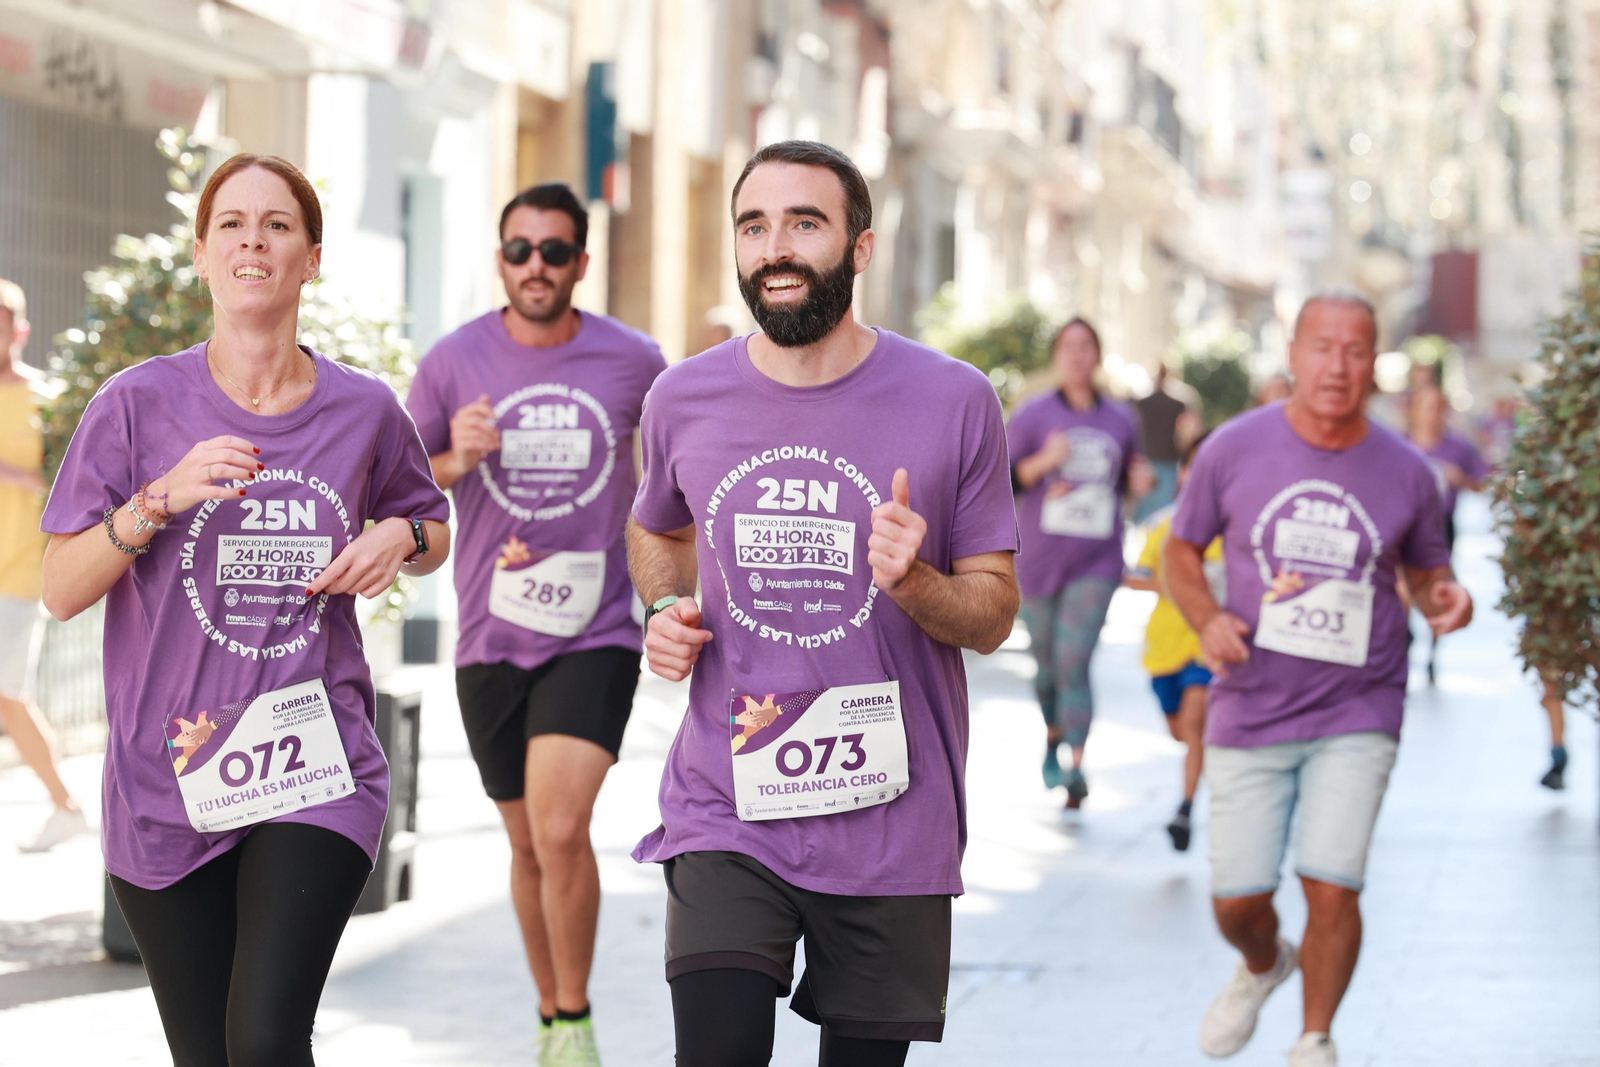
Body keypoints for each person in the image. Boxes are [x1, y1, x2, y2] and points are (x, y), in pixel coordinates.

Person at [39, 154, 451, 1067]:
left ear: (312, 259)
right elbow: (60, 587)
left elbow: (432, 528)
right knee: (208, 1053)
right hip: (168, 778)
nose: (252, 242)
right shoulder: (134, 404)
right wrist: (158, 499)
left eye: (276, 225)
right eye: (231, 224)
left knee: (263, 1038)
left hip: (316, 759)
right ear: (202, 254)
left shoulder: (365, 411)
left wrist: (400, 536)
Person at [626, 140, 1020, 1067]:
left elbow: (995, 613)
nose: (776, 247)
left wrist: (916, 581)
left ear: (860, 247)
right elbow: (658, 527)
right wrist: (666, 606)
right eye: (754, 226)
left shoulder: (955, 400)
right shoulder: (683, 395)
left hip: (893, 816)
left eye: (805, 223)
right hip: (727, 802)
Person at [1165, 292, 1472, 1067]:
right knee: (1237, 900)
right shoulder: (1232, 449)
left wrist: (1446, 596)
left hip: (1359, 704)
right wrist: (1206, 618)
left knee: (1333, 883)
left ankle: (1315, 1038)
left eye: (1356, 350)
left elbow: (1427, 571)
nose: (1338, 365)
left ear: (1375, 364)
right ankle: (1263, 961)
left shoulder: (1407, 470)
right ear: (1294, 354)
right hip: (1250, 702)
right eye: (1323, 347)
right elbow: (1180, 549)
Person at [406, 182, 665, 1065]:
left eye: (555, 251)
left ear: (581, 263)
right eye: (521, 249)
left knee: (559, 830)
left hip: (596, 631)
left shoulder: (634, 360)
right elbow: (399, 490)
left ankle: (576, 1017)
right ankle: (552, 1014)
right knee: (525, 844)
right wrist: (456, 455)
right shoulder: (452, 362)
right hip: (489, 637)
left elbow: (683, 467)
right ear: (501, 259)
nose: (536, 266)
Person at [1008, 318, 1153, 806]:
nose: (1077, 355)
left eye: (1086, 346)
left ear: (1097, 356)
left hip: (1097, 560)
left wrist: (1139, 483)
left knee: (1075, 659)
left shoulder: (1120, 419)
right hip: (1038, 561)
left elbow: (1130, 480)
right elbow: (1001, 479)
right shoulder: (1033, 414)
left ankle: (1076, 763)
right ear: (1056, 356)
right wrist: (1045, 462)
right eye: (1068, 347)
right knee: (1047, 666)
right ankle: (1053, 734)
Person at [0, 279, 91, 853]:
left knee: (8, 695)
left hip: (17, 573)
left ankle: (65, 806)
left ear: (20, 332)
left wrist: (11, 474)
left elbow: (69, 486)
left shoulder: (47, 400)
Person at [1125, 433, 1217, 850]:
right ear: (1182, 471)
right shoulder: (1163, 524)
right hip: (1164, 649)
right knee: (1182, 732)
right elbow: (1136, 577)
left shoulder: (1234, 529)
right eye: (1195, 465)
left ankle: (1185, 808)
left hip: (1208, 648)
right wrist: (1177, 584)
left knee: (1195, 724)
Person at [1405, 383, 1488, 684]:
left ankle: (1433, 650)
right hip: (1403, 527)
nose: (1431, 414)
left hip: (1441, 527)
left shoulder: (1457, 448)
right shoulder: (1397, 445)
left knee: (1436, 588)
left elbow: (1484, 483)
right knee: (1401, 588)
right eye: (1425, 407)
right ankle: (1404, 637)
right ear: (1412, 410)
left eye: (1437, 407)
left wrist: (1460, 479)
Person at [1133, 362, 1195, 522]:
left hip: (1149, 458)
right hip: (1167, 460)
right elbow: (1186, 432)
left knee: (1145, 510)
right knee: (1163, 512)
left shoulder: (1142, 403)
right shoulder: (1177, 404)